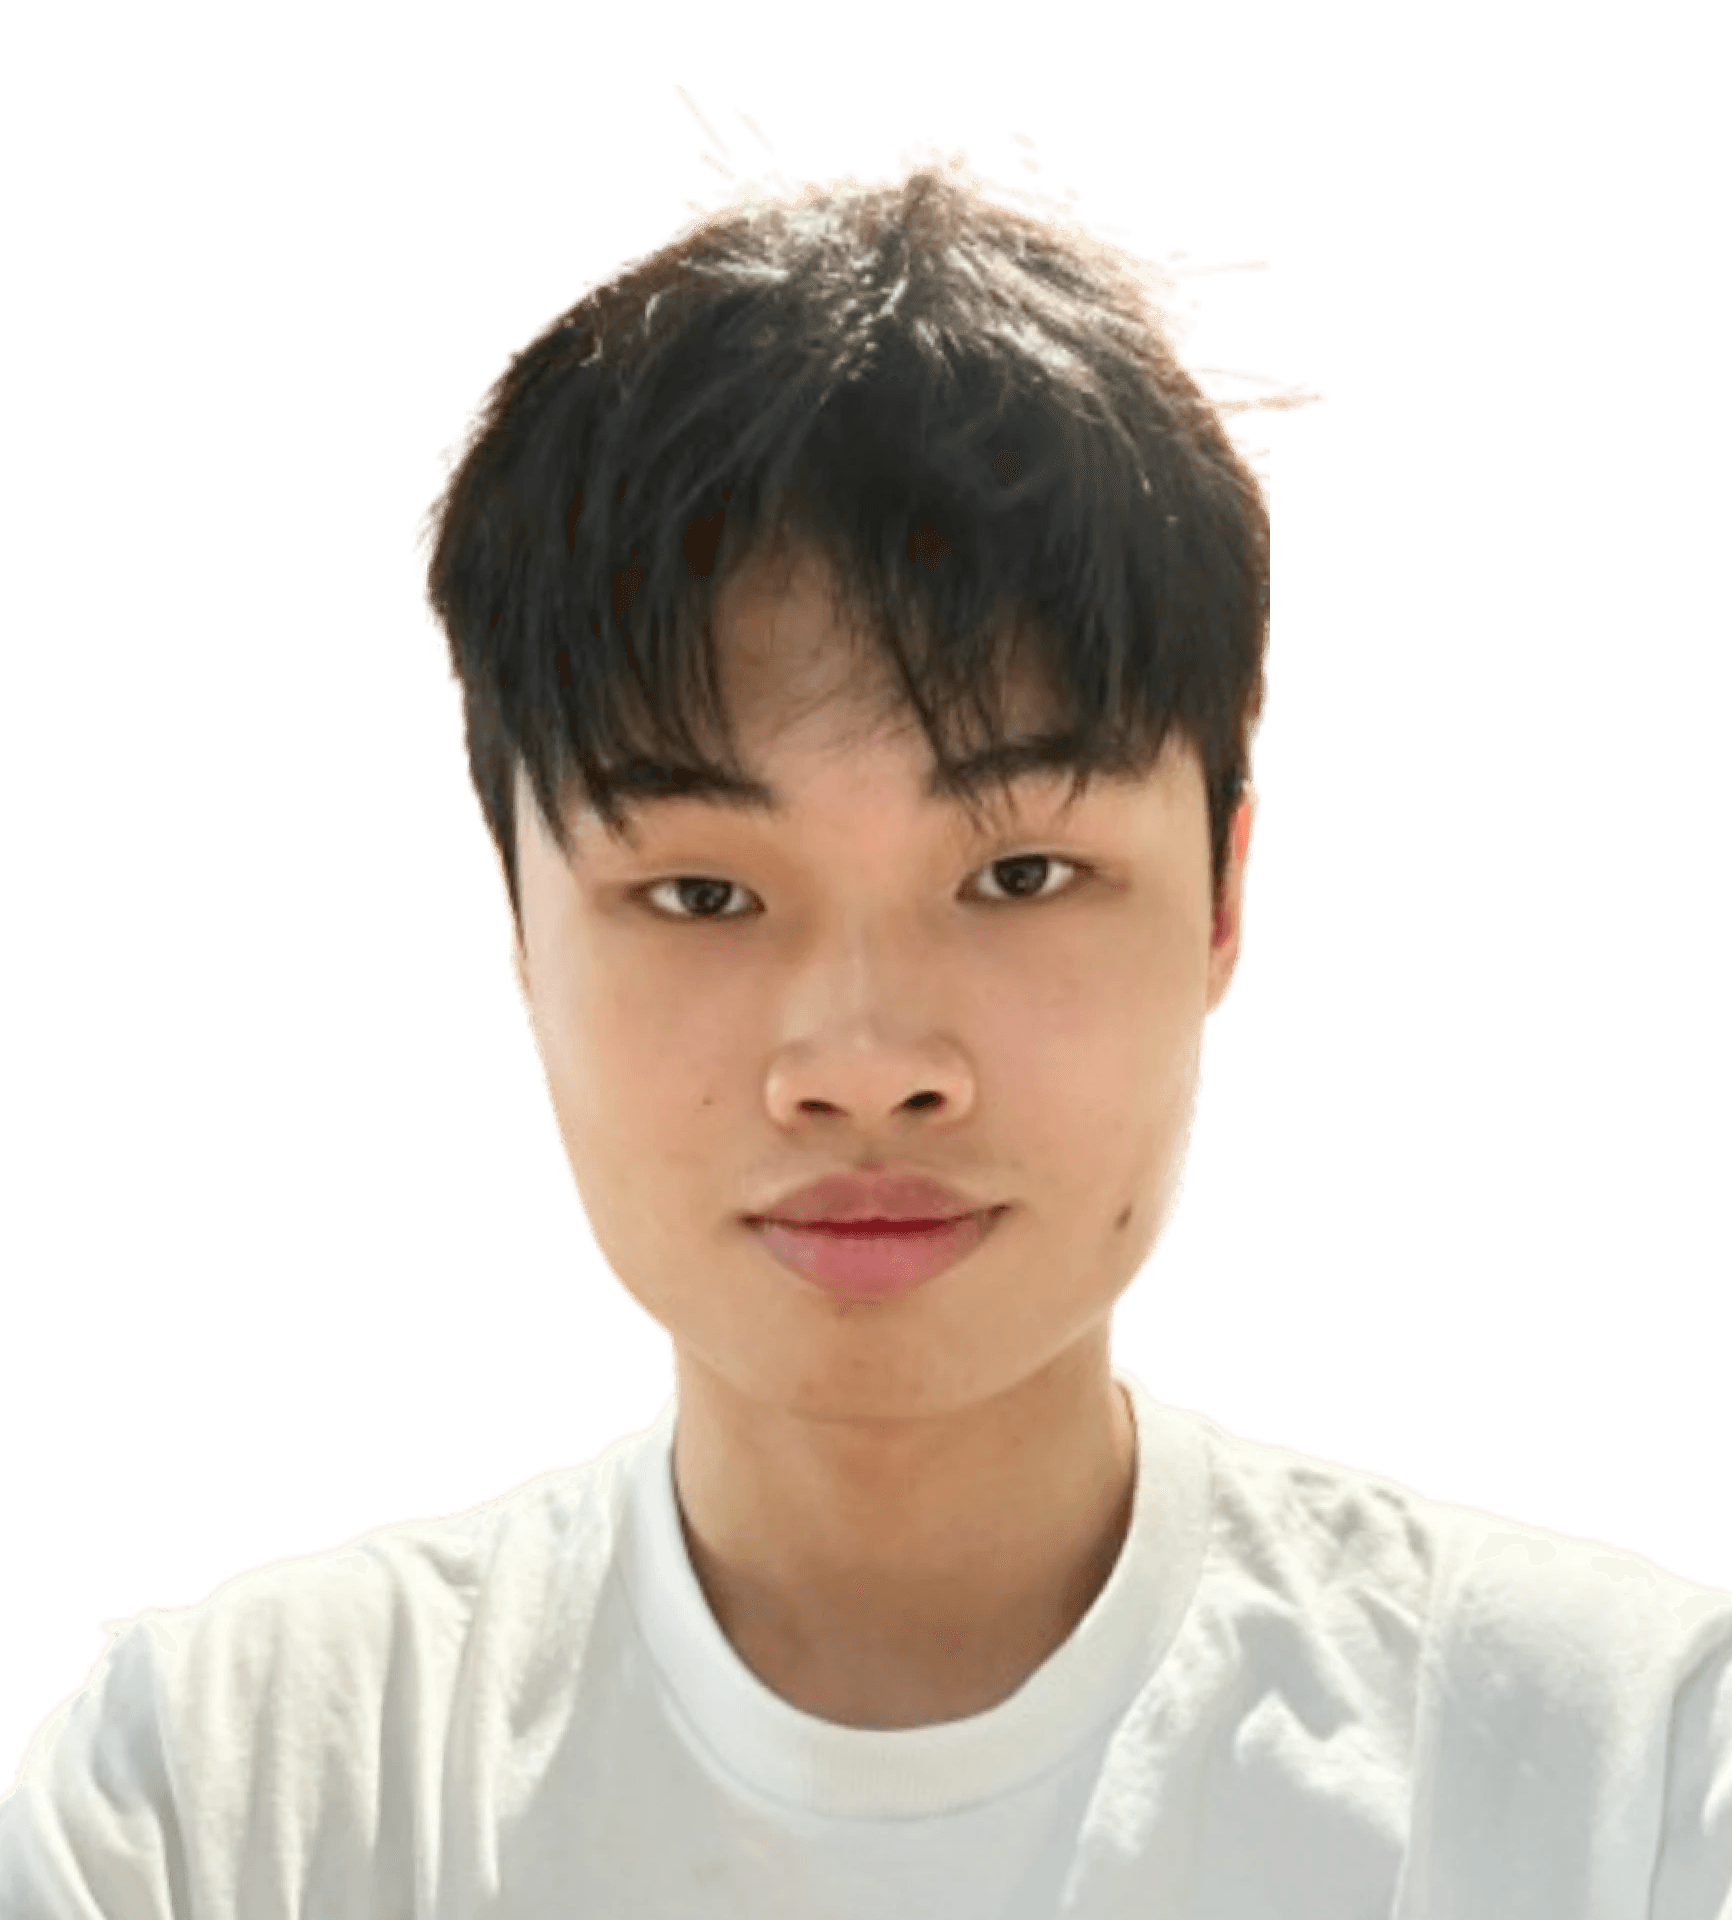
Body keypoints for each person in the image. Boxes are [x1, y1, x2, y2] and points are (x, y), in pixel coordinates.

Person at [3, 131, 1727, 1920]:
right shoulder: (227, 1807)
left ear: (1224, 895)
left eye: (1021, 873)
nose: (864, 1064)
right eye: (702, 894)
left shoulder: (1623, 1781)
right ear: (517, 919)